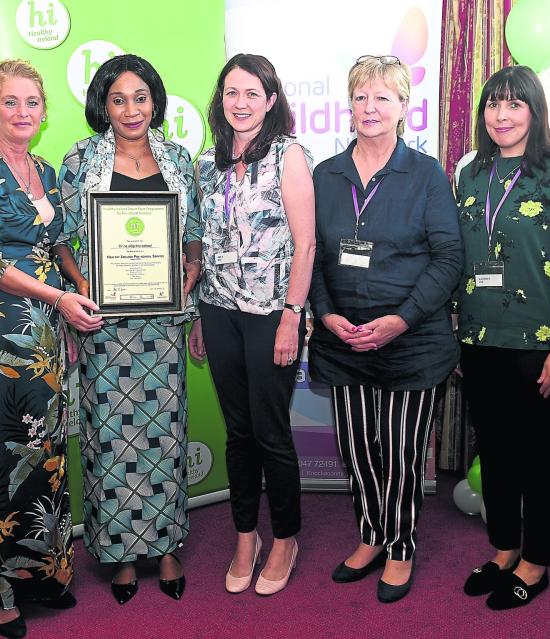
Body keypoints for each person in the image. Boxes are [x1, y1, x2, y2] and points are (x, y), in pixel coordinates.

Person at [0, 59, 102, 639]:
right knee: (1, 457)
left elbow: (58, 244)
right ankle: (1, 592)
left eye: (32, 102)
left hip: (45, 333)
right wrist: (60, 299)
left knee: (45, 453)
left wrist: (80, 294)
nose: (23, 112)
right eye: (10, 102)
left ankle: (46, 575)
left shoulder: (46, 169)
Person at [308, 55, 463, 603]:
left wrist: (399, 321)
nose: (370, 108)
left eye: (383, 97)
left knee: (399, 451)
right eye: (360, 97)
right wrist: (326, 315)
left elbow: (448, 260)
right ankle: (372, 534)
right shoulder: (325, 175)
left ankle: (401, 544)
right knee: (357, 448)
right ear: (348, 106)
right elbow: (313, 256)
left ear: (404, 107)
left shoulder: (426, 175)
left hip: (412, 342)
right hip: (342, 340)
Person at [55, 54, 202, 605]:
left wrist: (190, 274)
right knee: (112, 441)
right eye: (119, 99)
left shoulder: (179, 160)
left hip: (163, 325)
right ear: (103, 105)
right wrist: (82, 286)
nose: (131, 109)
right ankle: (119, 554)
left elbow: (195, 235)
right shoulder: (80, 160)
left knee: (163, 440)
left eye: (141, 97)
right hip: (105, 324)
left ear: (154, 101)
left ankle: (165, 549)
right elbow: (64, 239)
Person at [454, 65, 550, 610]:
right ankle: (504, 547)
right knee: (496, 453)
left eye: (515, 104)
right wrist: (462, 335)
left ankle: (535, 562)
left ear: (535, 112)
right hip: (482, 341)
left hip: (543, 347)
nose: (501, 115)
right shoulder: (472, 175)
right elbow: (465, 259)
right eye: (493, 105)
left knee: (537, 459)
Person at [188, 53, 315, 597]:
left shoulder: (288, 155)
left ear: (270, 100)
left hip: (271, 315)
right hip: (218, 311)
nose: (240, 103)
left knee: (270, 432)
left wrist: (293, 316)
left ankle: (285, 537)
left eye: (251, 93)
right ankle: (247, 536)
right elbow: (203, 244)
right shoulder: (205, 161)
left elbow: (306, 244)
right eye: (231, 92)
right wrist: (198, 315)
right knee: (238, 433)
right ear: (221, 98)